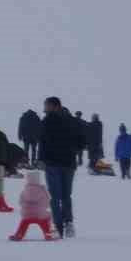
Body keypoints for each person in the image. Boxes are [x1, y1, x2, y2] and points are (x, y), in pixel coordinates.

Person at [39, 97, 80, 237]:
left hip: (53, 163)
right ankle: (68, 224)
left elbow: (42, 142)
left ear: (54, 106)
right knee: (66, 195)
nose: (45, 107)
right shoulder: (71, 120)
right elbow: (81, 140)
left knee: (55, 196)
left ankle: (58, 226)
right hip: (69, 162)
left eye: (46, 105)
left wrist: (41, 159)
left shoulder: (46, 121)